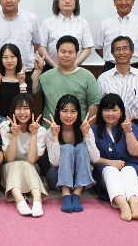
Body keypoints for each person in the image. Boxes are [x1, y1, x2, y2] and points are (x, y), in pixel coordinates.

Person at [33, 35, 101, 175]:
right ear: (56, 52)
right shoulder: (47, 76)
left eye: (71, 52)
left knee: (77, 169)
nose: (66, 55)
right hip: (52, 134)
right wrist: (38, 70)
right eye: (63, 51)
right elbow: (33, 90)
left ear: (77, 54)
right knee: (49, 172)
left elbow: (94, 104)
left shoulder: (87, 76)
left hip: (77, 132)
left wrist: (87, 131)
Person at [91, 93, 138, 222]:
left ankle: (135, 207)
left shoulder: (131, 127)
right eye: (106, 110)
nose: (110, 114)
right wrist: (110, 163)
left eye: (114, 110)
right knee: (111, 170)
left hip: (130, 168)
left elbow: (135, 152)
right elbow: (92, 160)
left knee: (128, 170)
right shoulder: (93, 130)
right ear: (101, 112)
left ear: (121, 112)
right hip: (104, 171)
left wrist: (128, 132)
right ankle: (124, 206)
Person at [97, 36, 138, 154]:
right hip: (111, 126)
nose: (121, 52)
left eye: (125, 48)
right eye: (117, 49)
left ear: (132, 52)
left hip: (135, 125)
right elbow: (99, 107)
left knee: (134, 158)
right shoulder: (103, 78)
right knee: (113, 159)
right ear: (112, 53)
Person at [44, 95, 99, 213]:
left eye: (73, 111)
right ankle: (66, 196)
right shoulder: (50, 132)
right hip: (56, 178)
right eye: (65, 111)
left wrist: (87, 135)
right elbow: (54, 162)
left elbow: (95, 159)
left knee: (81, 147)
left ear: (78, 113)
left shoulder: (85, 130)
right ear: (58, 112)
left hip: (79, 178)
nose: (69, 115)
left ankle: (76, 196)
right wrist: (55, 136)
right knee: (68, 148)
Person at [0, 94, 48, 217]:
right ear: (13, 110)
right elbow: (9, 159)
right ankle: (19, 200)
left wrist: (33, 134)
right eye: (18, 108)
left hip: (30, 168)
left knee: (26, 164)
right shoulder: (5, 127)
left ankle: (37, 200)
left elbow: (31, 160)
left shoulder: (40, 130)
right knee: (14, 164)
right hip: (9, 169)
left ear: (32, 110)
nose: (22, 112)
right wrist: (14, 135)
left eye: (26, 108)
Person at [94, 0, 138, 72]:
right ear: (114, 2)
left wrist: (137, 59)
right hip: (110, 68)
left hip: (134, 67)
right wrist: (112, 58)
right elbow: (98, 48)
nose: (123, 2)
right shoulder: (105, 24)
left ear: (133, 1)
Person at [39, 0, 94, 69]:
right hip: (52, 68)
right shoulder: (48, 23)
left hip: (76, 69)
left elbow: (87, 49)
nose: (67, 1)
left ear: (76, 2)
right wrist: (56, 67)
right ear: (57, 2)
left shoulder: (83, 23)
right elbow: (41, 47)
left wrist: (73, 66)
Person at [0, 43, 38, 127]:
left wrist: (22, 83)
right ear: (1, 59)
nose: (9, 60)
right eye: (5, 57)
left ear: (18, 58)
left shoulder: (25, 78)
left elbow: (27, 105)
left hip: (20, 121)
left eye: (13, 57)